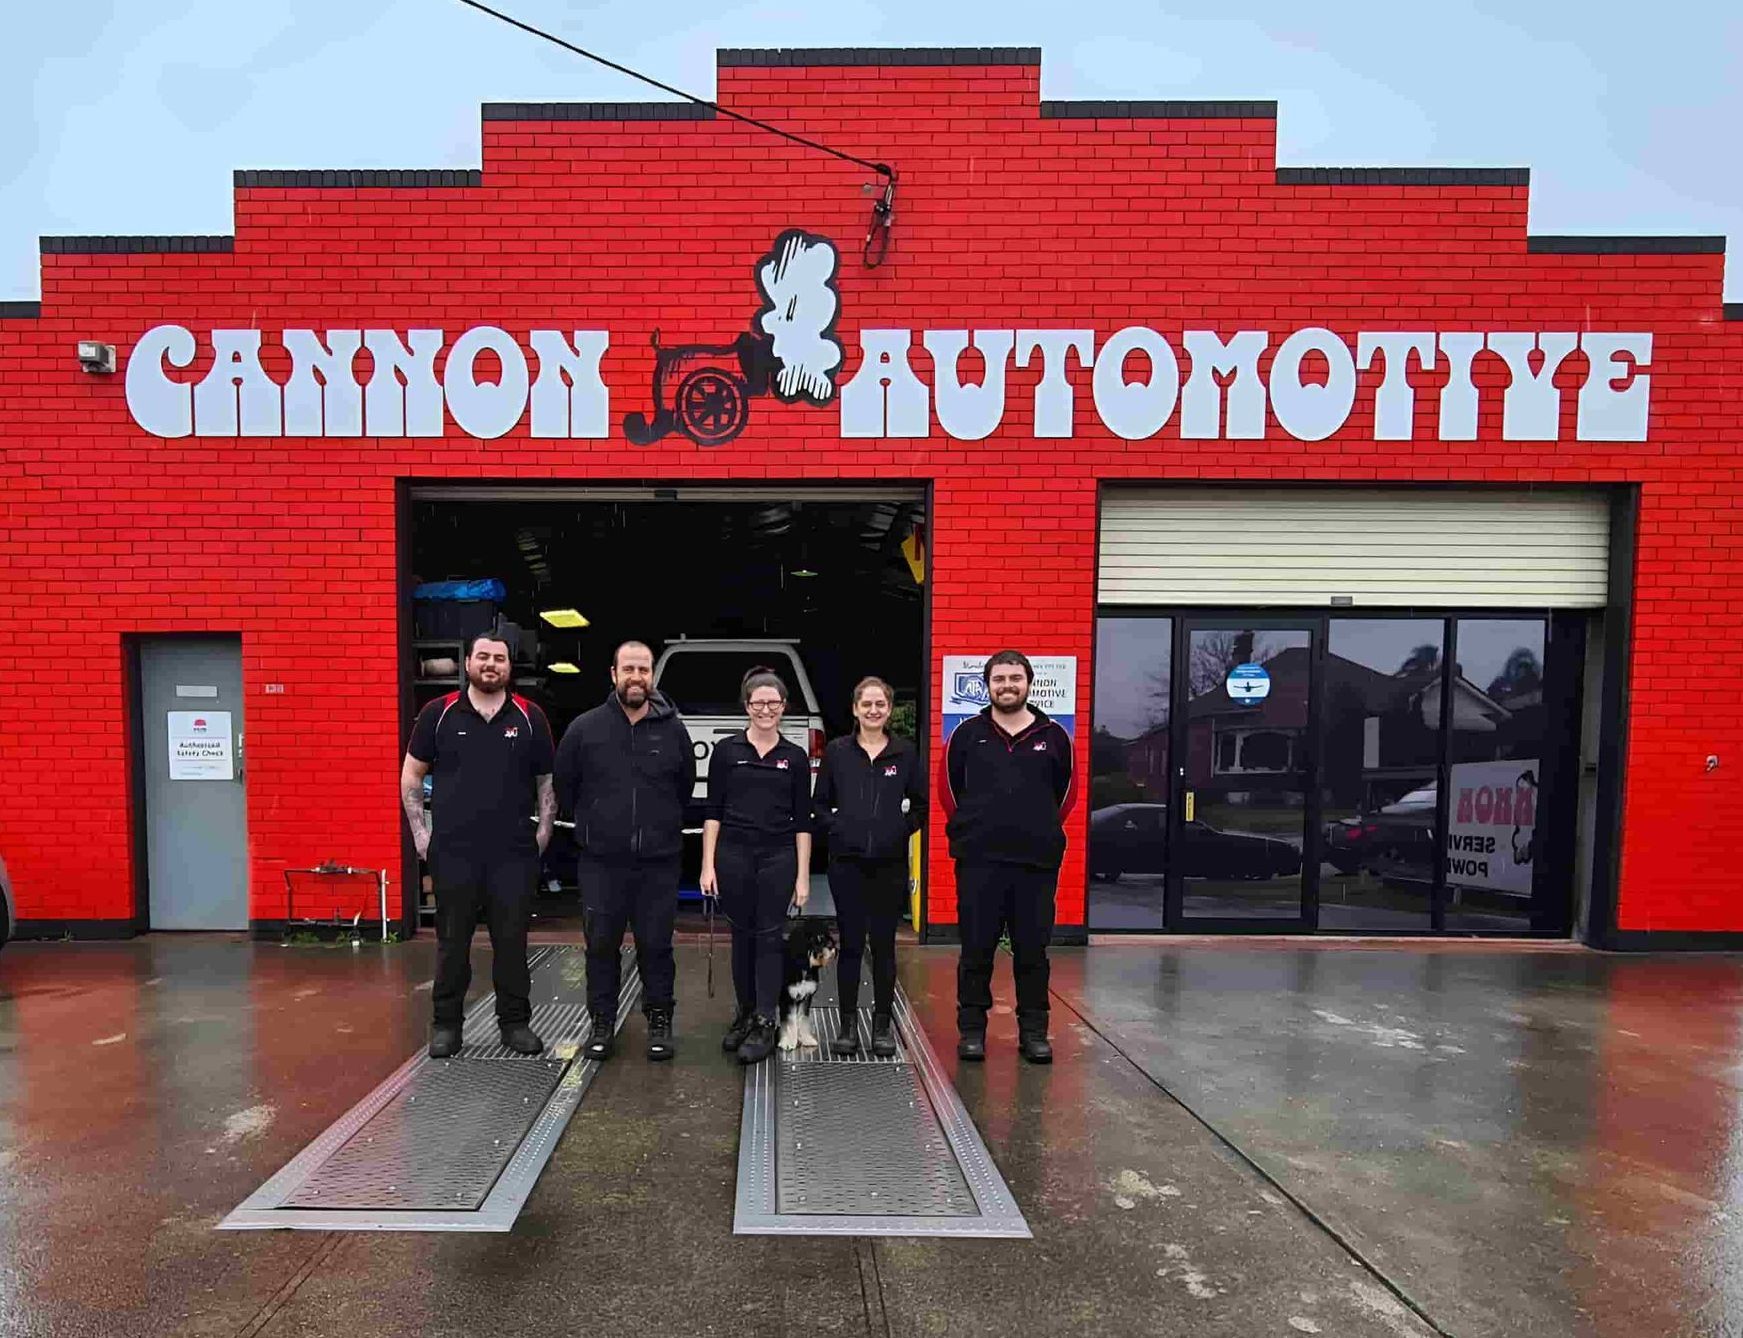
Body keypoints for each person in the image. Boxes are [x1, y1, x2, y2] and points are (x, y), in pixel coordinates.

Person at [401, 630, 556, 1059]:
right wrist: (421, 835)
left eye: (500, 658)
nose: (491, 664)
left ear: (510, 667)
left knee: (512, 942)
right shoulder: (439, 713)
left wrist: (544, 831)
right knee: (453, 943)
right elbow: (411, 775)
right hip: (454, 852)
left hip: (513, 854)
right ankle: (447, 1026)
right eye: (483, 656)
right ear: (467, 662)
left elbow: (546, 780)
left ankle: (515, 1024)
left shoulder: (530, 717)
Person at [553, 640, 696, 1062]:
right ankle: (601, 1024)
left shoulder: (674, 731)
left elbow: (684, 787)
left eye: (644, 670)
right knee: (600, 945)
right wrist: (598, 823)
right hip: (601, 862)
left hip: (659, 862)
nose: (637, 677)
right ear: (613, 674)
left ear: (652, 677)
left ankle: (659, 1022)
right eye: (628, 669)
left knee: (656, 945)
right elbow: (566, 786)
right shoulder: (584, 729)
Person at [941, 650, 1074, 1065]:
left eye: (1015, 678)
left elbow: (1065, 797)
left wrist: (1037, 828)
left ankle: (1034, 1031)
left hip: (1035, 865)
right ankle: (972, 1032)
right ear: (988, 685)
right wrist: (975, 830)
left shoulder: (1054, 736)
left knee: (1032, 951)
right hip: (980, 862)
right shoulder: (966, 735)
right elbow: (949, 794)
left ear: (1029, 683)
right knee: (976, 950)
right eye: (999, 679)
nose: (1007, 685)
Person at [699, 667, 813, 1065]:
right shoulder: (727, 752)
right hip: (733, 855)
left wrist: (802, 875)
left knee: (768, 938)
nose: (766, 709)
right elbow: (712, 812)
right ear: (747, 706)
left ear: (784, 707)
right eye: (758, 702)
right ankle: (745, 1013)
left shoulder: (794, 757)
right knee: (741, 938)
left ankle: (767, 1020)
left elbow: (803, 822)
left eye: (773, 702)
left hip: (778, 857)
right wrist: (707, 866)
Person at [811, 676, 922, 1058]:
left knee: (885, 947)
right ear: (855, 709)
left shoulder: (905, 754)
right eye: (866, 704)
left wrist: (898, 829)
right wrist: (840, 829)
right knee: (852, 946)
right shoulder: (838, 753)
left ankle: (881, 1026)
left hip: (889, 867)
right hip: (847, 866)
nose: (873, 710)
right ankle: (845, 1026)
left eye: (880, 704)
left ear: (889, 710)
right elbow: (819, 806)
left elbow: (921, 806)